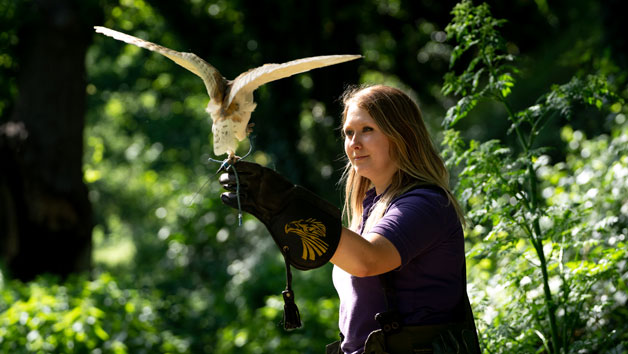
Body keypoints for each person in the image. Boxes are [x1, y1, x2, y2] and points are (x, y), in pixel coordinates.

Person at [219, 84, 480, 354]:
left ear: (402, 134)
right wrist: (278, 210)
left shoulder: (424, 204)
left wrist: (287, 203)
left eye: (368, 130)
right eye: (349, 132)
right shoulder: (369, 209)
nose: (354, 143)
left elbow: (367, 261)